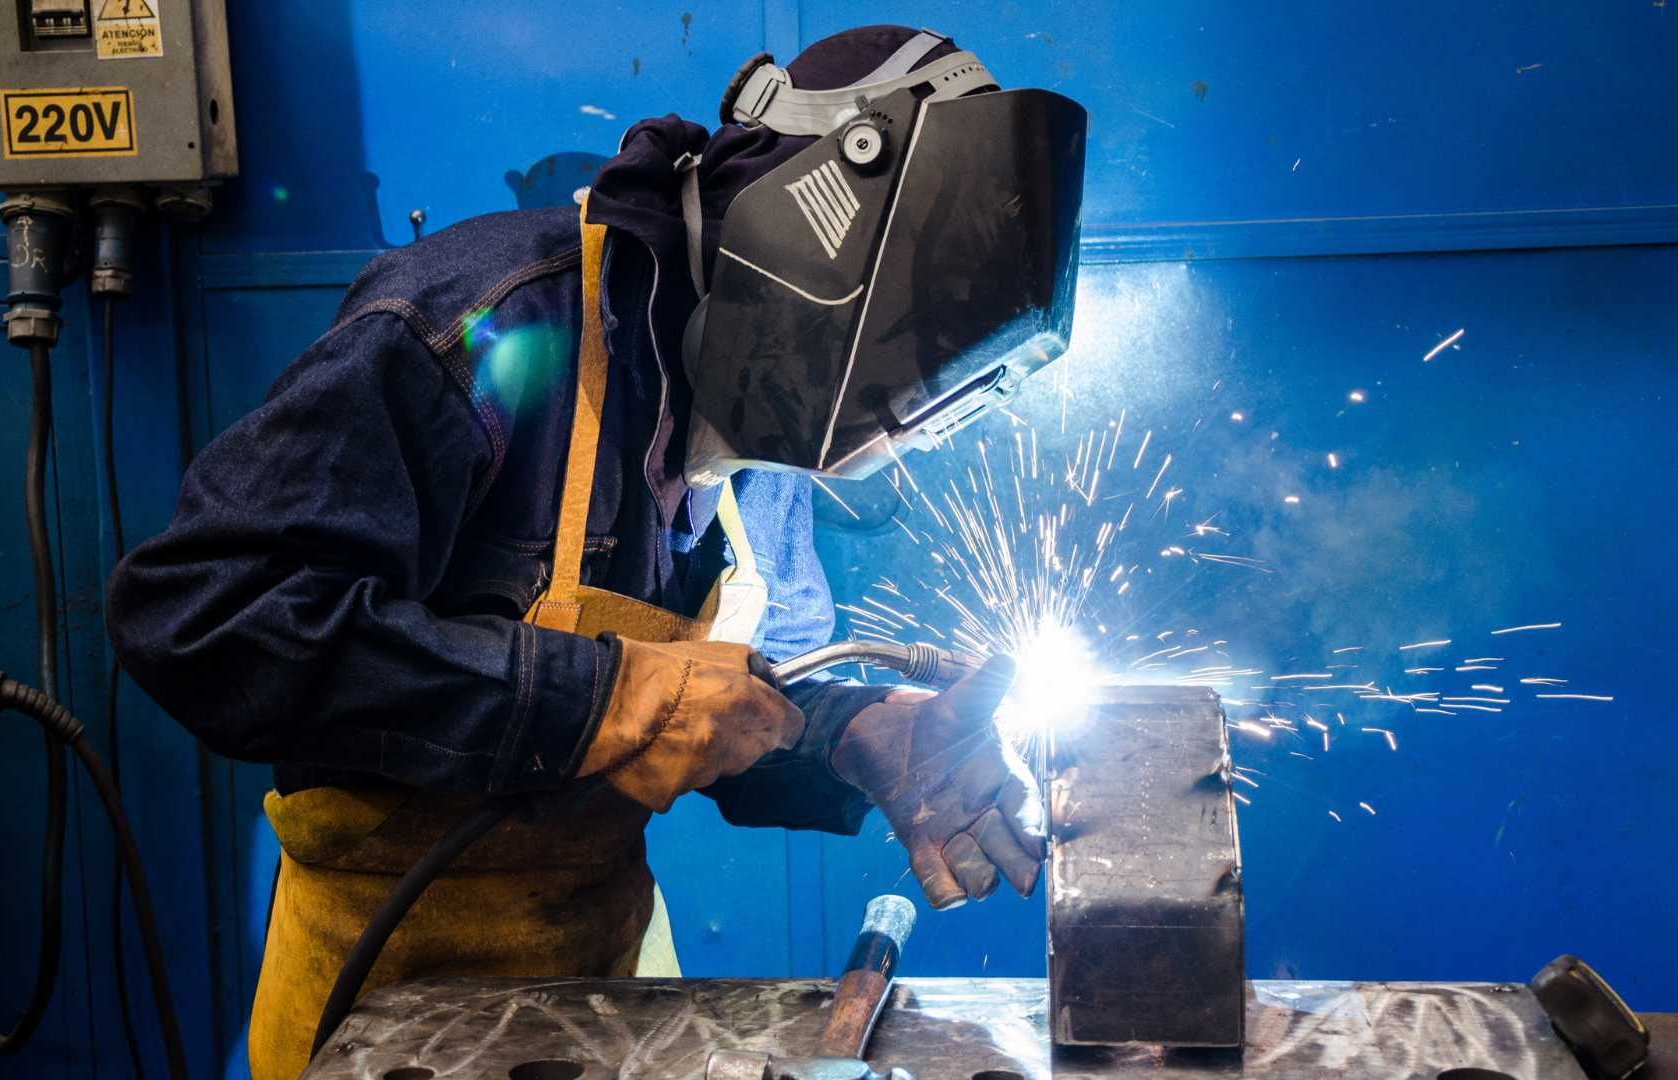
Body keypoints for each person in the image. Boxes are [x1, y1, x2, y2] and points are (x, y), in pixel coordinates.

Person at [109, 24, 1085, 1079]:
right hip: (382, 992)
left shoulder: (779, 428)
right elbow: (206, 614)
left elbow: (723, 704)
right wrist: (600, 697)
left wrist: (855, 737)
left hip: (602, 981)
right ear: (820, 234)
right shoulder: (487, 319)